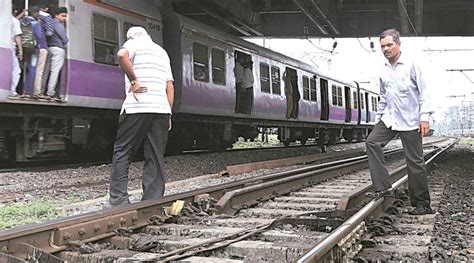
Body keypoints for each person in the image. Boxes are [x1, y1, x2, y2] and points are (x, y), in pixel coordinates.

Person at [365, 28, 434, 215]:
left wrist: (425, 117)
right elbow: (384, 97)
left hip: (411, 119)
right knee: (372, 142)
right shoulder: (383, 70)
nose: (386, 49)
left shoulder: (413, 64)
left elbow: (425, 92)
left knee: (415, 162)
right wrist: (378, 120)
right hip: (390, 118)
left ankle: (422, 204)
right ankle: (384, 189)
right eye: (383, 46)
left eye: (389, 45)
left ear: (398, 44)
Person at [107, 26, 174, 207]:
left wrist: (134, 80)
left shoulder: (133, 42)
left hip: (138, 106)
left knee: (123, 150)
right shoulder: (162, 52)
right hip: (161, 108)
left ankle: (118, 200)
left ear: (131, 37)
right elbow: (170, 87)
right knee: (155, 154)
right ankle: (153, 200)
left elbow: (121, 55)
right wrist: (168, 112)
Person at [46, 7, 68, 100]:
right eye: (63, 16)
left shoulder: (50, 23)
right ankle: (50, 92)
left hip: (50, 48)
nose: (64, 18)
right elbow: (65, 39)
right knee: (55, 71)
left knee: (47, 71)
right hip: (58, 49)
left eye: (65, 16)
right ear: (56, 15)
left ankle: (45, 90)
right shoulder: (58, 24)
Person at [20, 6, 43, 96]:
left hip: (23, 47)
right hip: (33, 49)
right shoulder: (35, 23)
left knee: (24, 68)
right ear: (35, 13)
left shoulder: (22, 21)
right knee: (32, 68)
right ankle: (29, 90)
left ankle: (22, 90)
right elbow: (39, 36)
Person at [10, 9, 22, 97]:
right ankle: (12, 90)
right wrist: (20, 50)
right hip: (10, 47)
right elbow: (17, 36)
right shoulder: (14, 21)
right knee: (16, 69)